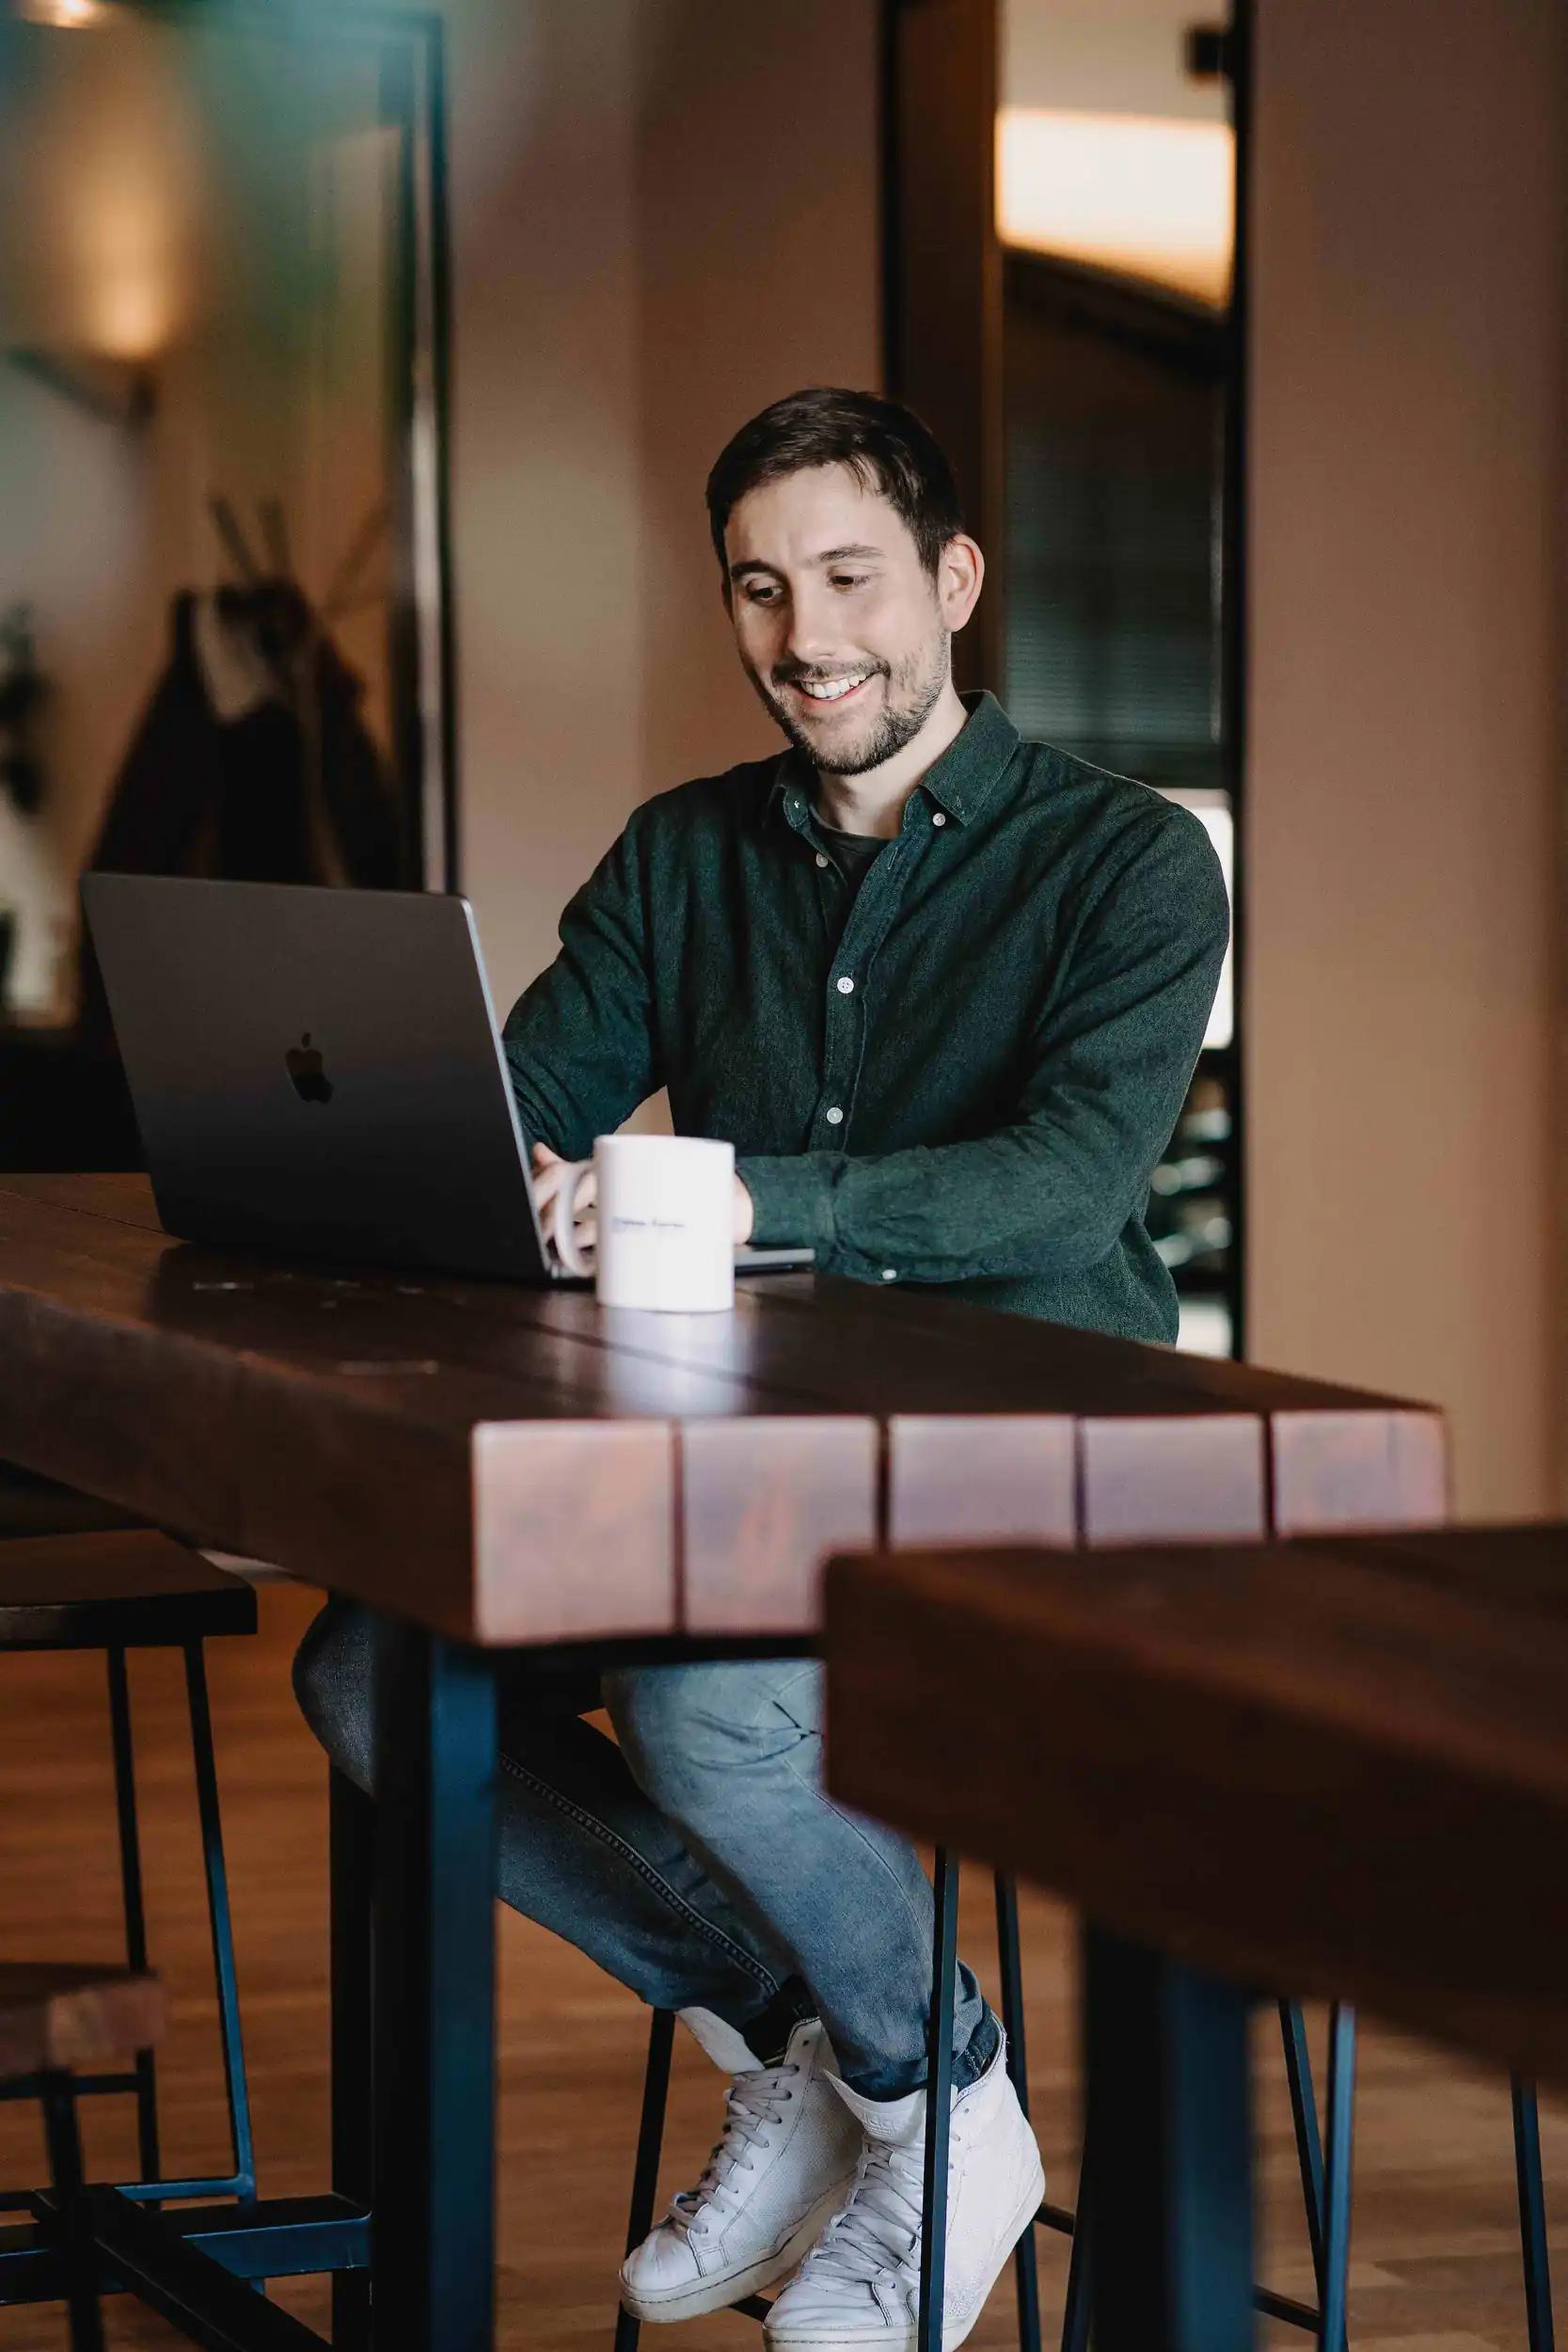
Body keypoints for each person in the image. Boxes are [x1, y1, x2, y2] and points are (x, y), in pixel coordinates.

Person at [293, 387, 1229, 2351]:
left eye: (851, 577)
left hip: (1027, 1464)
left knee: (710, 1699)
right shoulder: (680, 856)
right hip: (731, 1452)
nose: (809, 635)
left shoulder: (1134, 864)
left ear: (953, 582)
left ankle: (917, 2094)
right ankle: (860, 2052)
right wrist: (424, 1150)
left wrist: (740, 1199)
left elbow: (1067, 1180)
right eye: (761, 586)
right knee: (372, 1670)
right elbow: (517, 1104)